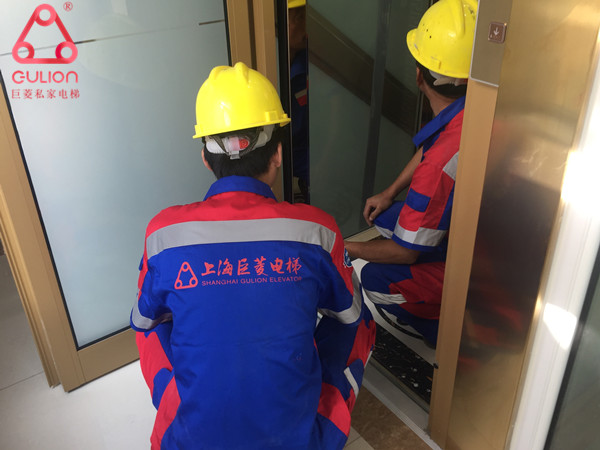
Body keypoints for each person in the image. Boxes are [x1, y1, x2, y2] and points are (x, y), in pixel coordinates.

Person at [130, 62, 375, 450]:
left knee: (149, 323)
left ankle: (182, 410)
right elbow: (348, 316)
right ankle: (320, 421)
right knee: (359, 319)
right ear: (277, 154)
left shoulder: (163, 234)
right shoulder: (317, 230)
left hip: (187, 442)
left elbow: (145, 320)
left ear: (206, 158)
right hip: (298, 443)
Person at [345, 0, 477, 348]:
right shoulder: (474, 110)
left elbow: (407, 254)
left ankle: (445, 335)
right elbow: (433, 148)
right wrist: (389, 192)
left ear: (419, 76)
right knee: (387, 216)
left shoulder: (438, 167)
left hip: (478, 269)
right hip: (484, 235)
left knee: (376, 278)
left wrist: (347, 247)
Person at [288, 0, 310, 203]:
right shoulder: (266, 66)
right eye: (299, 18)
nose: (306, 25)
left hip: (308, 158)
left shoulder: (312, 63)